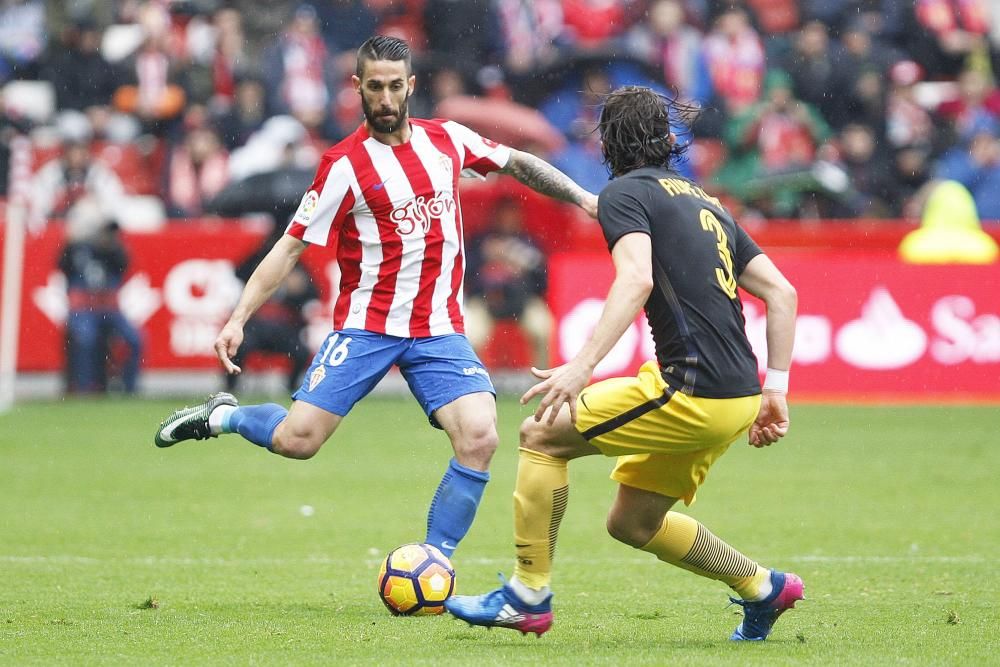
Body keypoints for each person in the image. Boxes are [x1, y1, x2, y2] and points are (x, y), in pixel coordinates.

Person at [153, 35, 598, 561]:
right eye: (374, 88)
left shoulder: (448, 141)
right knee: (299, 441)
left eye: (394, 87)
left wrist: (585, 197)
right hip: (367, 326)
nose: (385, 99)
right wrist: (239, 317)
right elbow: (290, 247)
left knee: (480, 437)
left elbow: (518, 162)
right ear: (358, 89)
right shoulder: (343, 166)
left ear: (410, 86)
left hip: (437, 328)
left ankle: (435, 562)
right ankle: (223, 415)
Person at [445, 86, 802, 641]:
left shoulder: (625, 195)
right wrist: (775, 390)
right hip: (737, 395)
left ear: (608, 142)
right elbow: (782, 293)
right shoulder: (706, 203)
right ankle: (764, 588)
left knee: (540, 434)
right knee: (632, 523)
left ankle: (527, 595)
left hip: (689, 389)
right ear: (666, 139)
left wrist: (580, 366)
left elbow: (635, 278)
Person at [464, 196, 552, 369]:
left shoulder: (529, 242)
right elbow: (465, 274)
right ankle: (474, 380)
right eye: (503, 215)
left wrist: (520, 267)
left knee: (542, 328)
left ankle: (541, 380)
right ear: (495, 217)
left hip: (523, 302)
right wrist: (486, 258)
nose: (508, 220)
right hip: (484, 301)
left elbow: (543, 282)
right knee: (470, 334)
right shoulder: (480, 240)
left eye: (512, 215)